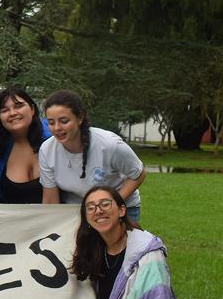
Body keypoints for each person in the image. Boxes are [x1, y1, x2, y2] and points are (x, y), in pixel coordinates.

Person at [39, 89, 146, 221]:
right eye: (51, 122)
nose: (57, 128)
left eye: (64, 121)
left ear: (80, 118)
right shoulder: (46, 150)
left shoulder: (109, 144)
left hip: (122, 209)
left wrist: (113, 204)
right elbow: (50, 200)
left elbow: (138, 173)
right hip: (75, 213)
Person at [0, 86, 45, 205]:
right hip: (12, 221)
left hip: (59, 220)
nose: (12, 113)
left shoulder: (55, 139)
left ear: (32, 109)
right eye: (5, 110)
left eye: (18, 106)